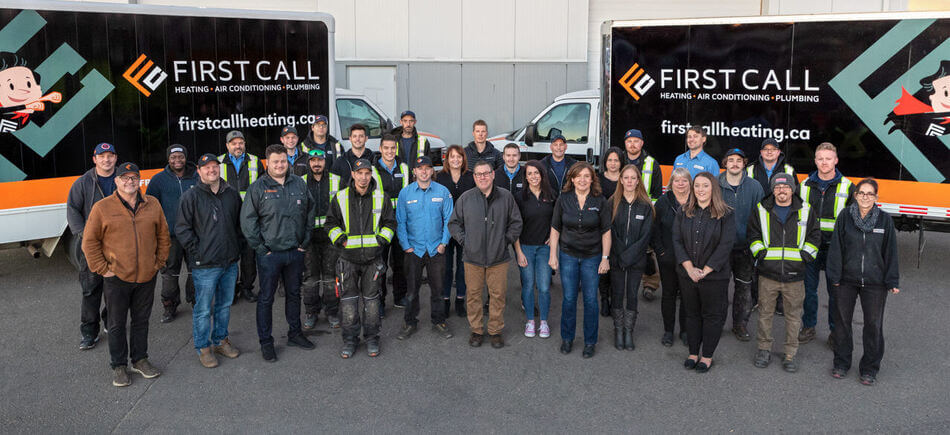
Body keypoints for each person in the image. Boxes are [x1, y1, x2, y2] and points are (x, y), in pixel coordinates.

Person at [82, 162, 170, 387]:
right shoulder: (102, 208)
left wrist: (158, 262)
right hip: (117, 278)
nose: (130, 182)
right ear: (116, 181)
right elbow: (89, 242)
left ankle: (140, 360)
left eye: (134, 178)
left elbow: (163, 235)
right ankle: (119, 366)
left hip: (147, 276)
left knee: (141, 321)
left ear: (139, 180)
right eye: (125, 178)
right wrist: (104, 269)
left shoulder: (152, 204)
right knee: (116, 324)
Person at [241, 144, 317, 362]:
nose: (280, 165)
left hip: (295, 252)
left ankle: (295, 334)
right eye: (275, 161)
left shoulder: (299, 183)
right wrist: (261, 248)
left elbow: (310, 212)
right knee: (266, 299)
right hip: (270, 256)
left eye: (283, 161)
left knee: (294, 294)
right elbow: (248, 222)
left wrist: (305, 241)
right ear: (268, 163)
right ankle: (266, 342)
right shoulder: (257, 188)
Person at [826, 178, 900, 385]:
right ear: (855, 195)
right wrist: (835, 276)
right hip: (846, 281)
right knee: (842, 323)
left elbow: (891, 252)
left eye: (870, 194)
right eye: (861, 193)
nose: (865, 197)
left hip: (875, 283)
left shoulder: (885, 220)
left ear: (876, 197)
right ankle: (841, 363)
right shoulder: (845, 216)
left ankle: (869, 369)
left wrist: (892, 280)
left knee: (873, 325)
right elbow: (836, 247)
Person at [175, 153, 243, 368]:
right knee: (203, 309)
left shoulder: (231, 194)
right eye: (207, 167)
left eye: (215, 166)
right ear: (199, 171)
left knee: (224, 305)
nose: (211, 170)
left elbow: (239, 225)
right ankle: (203, 348)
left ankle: (221, 341)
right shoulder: (191, 196)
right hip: (204, 265)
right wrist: (198, 253)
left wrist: (236, 249)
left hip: (229, 262)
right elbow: (182, 229)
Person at [748, 173, 820, 373]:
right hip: (767, 274)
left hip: (795, 276)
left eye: (786, 187)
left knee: (793, 317)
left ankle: (790, 354)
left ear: (792, 189)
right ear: (773, 190)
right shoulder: (761, 209)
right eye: (778, 187)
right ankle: (764, 349)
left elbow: (815, 236)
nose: (782, 190)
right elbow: (753, 234)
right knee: (765, 315)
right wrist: (760, 254)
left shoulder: (806, 210)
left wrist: (805, 256)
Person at [326, 158, 397, 358]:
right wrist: (340, 239)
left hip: (373, 260)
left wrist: (381, 241)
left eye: (367, 173)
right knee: (348, 303)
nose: (363, 177)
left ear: (371, 175)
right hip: (347, 259)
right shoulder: (340, 197)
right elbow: (330, 223)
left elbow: (390, 223)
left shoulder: (381, 197)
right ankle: (350, 340)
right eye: (360, 173)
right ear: (353, 175)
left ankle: (372, 338)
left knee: (372, 303)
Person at [448, 160, 522, 349]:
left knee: (498, 295)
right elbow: (453, 223)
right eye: (478, 174)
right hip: (472, 258)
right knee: (473, 295)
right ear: (474, 177)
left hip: (499, 258)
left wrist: (505, 241)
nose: (482, 177)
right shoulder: (466, 198)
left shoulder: (506, 197)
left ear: (493, 174)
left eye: (486, 173)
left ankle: (495, 331)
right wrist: (465, 241)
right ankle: (477, 330)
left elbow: (516, 223)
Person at [673, 172, 735, 373]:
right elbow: (677, 241)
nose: (700, 189)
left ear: (713, 188)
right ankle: (693, 353)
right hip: (688, 275)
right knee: (691, 314)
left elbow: (726, 245)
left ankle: (707, 355)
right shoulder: (683, 211)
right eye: (697, 185)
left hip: (715, 277)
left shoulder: (726, 214)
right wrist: (689, 268)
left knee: (712, 316)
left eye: (705, 185)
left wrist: (705, 271)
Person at [549, 162, 612, 359]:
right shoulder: (563, 199)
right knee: (569, 298)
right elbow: (555, 228)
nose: (582, 180)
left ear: (592, 179)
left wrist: (605, 258)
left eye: (587, 176)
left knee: (590, 300)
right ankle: (567, 338)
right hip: (568, 255)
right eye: (578, 176)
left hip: (592, 257)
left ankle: (590, 341)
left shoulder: (600, 201)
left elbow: (606, 232)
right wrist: (552, 255)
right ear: (572, 179)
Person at [799, 142, 855, 346]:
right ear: (815, 161)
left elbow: (854, 220)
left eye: (828, 159)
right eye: (820, 159)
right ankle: (808, 326)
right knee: (809, 291)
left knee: (836, 293)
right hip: (810, 246)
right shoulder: (804, 185)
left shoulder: (848, 187)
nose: (824, 162)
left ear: (836, 161)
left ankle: (835, 331)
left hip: (835, 248)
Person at [395, 156, 455, 340]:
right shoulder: (405, 193)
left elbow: (449, 219)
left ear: (432, 171)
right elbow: (400, 222)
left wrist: (443, 243)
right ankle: (409, 322)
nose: (424, 171)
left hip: (436, 249)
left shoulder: (442, 192)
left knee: (438, 290)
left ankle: (439, 321)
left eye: (427, 168)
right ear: (414, 171)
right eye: (420, 168)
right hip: (414, 250)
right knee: (412, 291)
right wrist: (406, 246)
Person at [67, 142, 116, 350]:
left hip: (118, 246)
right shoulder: (83, 182)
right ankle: (89, 332)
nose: (106, 159)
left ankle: (110, 322)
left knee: (115, 289)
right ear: (94, 159)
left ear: (115, 158)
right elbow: (72, 210)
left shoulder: (123, 179)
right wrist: (84, 235)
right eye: (102, 156)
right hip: (92, 246)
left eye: (110, 155)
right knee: (90, 290)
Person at [146, 144, 198, 323]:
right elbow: (150, 207)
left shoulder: (197, 176)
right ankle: (170, 306)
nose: (177, 160)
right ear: (168, 159)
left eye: (180, 156)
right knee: (169, 274)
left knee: (196, 270)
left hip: (194, 234)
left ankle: (196, 301)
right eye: (173, 157)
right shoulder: (158, 180)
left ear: (185, 157)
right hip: (170, 237)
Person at [718, 148, 764, 341]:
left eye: (739, 160)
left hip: (745, 248)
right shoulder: (715, 185)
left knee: (744, 289)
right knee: (719, 288)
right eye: (731, 160)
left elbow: (762, 218)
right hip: (720, 248)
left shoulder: (755, 187)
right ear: (725, 163)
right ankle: (717, 323)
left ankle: (740, 325)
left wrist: (756, 244)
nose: (735, 163)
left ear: (744, 163)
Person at [608, 165, 654, 351]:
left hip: (637, 259)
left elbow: (646, 235)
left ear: (638, 181)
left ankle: (629, 331)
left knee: (632, 294)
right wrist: (621, 254)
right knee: (618, 293)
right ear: (620, 180)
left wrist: (630, 255)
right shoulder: (612, 202)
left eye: (633, 178)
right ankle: (618, 330)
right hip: (616, 258)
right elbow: (610, 231)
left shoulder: (646, 205)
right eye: (626, 177)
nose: (629, 181)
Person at [301, 149, 343, 330]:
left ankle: (332, 312)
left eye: (320, 160)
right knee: (310, 277)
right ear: (309, 162)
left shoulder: (336, 180)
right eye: (313, 160)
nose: (316, 163)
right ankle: (311, 312)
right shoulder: (300, 181)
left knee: (330, 277)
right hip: (308, 238)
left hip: (330, 237)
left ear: (325, 162)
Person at [514, 160, 556, 339]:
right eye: (529, 173)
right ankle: (530, 320)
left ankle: (544, 322)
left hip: (545, 248)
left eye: (536, 173)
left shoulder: (552, 195)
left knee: (544, 287)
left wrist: (553, 239)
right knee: (528, 285)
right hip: (525, 247)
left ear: (542, 174)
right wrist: (518, 252)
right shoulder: (519, 197)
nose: (533, 176)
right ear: (525, 177)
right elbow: (514, 226)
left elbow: (557, 221)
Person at [620, 129, 663, 301]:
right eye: (629, 141)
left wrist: (649, 212)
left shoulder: (651, 163)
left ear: (642, 143)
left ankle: (650, 285)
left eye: (636, 141)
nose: (632, 144)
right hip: (622, 210)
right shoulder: (618, 159)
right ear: (625, 143)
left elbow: (657, 194)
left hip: (644, 213)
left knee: (647, 251)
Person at [218, 130, 260, 303]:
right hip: (228, 218)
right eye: (234, 143)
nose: (238, 146)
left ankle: (247, 288)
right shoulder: (218, 162)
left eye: (240, 143)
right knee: (230, 257)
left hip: (250, 217)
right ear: (227, 145)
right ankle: (232, 290)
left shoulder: (255, 161)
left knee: (249, 256)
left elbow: (262, 188)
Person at [434, 145, 476, 317]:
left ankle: (460, 299)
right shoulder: (440, 177)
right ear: (447, 159)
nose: (456, 160)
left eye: (459, 156)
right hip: (445, 229)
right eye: (452, 156)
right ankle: (445, 300)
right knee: (446, 268)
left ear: (463, 159)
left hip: (465, 229)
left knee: (462, 267)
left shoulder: (470, 177)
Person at [652, 168, 691, 347]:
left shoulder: (696, 201)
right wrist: (660, 251)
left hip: (690, 259)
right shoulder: (663, 202)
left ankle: (685, 330)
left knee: (687, 295)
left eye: (684, 180)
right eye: (677, 180)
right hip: (667, 258)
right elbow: (655, 229)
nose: (680, 184)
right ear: (671, 183)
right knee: (668, 294)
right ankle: (668, 331)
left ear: (690, 183)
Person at [373, 134, 411, 312]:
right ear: (380, 149)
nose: (390, 151)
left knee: (400, 263)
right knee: (380, 264)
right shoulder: (372, 170)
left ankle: (400, 296)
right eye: (386, 148)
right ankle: (379, 301)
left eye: (393, 148)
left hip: (401, 222)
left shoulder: (404, 168)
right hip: (381, 224)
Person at [597, 147, 623, 317]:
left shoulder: (625, 179)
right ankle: (604, 299)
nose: (613, 164)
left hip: (621, 228)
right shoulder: (598, 179)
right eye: (610, 160)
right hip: (602, 228)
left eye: (616, 160)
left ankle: (615, 300)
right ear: (605, 162)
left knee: (617, 267)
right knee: (603, 265)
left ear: (621, 162)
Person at [540, 134, 578, 199]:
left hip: (568, 200)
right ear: (551, 147)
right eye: (555, 145)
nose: (558, 148)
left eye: (561, 145)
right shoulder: (542, 164)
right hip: (549, 200)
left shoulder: (574, 164)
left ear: (565, 147)